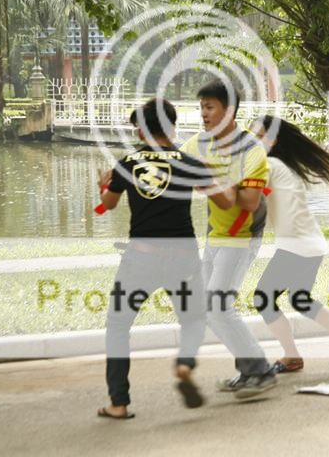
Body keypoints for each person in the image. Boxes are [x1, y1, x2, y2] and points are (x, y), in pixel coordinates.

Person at [96, 98, 218, 419]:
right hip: (183, 256)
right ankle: (184, 365)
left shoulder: (128, 163)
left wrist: (102, 187)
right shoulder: (188, 162)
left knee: (118, 325)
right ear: (171, 126)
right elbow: (218, 193)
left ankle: (118, 403)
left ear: (144, 129)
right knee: (193, 320)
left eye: (137, 125)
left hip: (141, 258)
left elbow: (108, 204)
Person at [248, 115, 329, 373]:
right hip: (312, 244)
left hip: (296, 247)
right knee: (300, 299)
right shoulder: (283, 167)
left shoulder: (270, 165)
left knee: (263, 297)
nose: (253, 143)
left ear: (274, 142)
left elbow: (247, 196)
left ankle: (292, 356)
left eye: (259, 137)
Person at [180, 81, 277, 399]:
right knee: (209, 310)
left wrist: (210, 181)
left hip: (241, 236)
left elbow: (249, 201)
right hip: (215, 235)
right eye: (202, 108)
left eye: (210, 107)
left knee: (219, 307)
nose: (204, 114)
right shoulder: (198, 144)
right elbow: (173, 167)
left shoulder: (251, 149)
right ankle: (249, 370)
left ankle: (260, 371)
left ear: (229, 111)